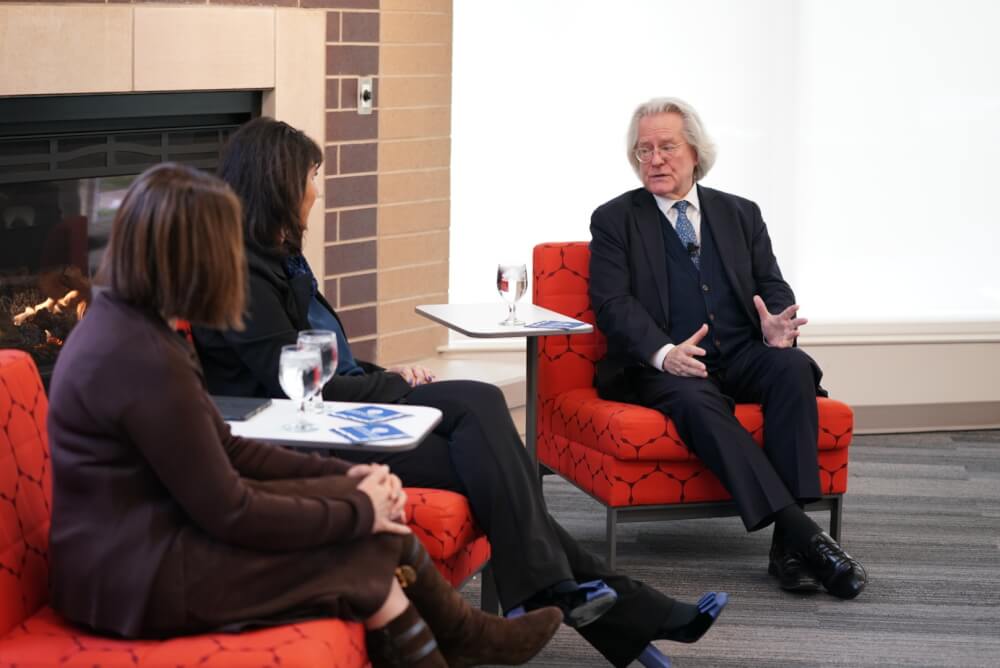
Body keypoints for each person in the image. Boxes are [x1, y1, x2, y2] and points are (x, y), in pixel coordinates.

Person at [192, 117, 728, 668]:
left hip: (334, 411)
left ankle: (567, 594)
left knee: (482, 407)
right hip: (305, 434)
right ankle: (622, 607)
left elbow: (318, 357)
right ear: (278, 183)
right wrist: (393, 382)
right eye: (310, 177)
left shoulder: (276, 259)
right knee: (499, 473)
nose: (317, 190)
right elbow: (296, 378)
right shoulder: (242, 273)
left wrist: (383, 371)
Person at [46, 163, 564, 668]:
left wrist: (346, 479)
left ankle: (470, 636)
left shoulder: (138, 328)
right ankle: (468, 638)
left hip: (149, 547)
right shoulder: (140, 357)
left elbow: (227, 449)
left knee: (380, 540)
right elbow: (230, 509)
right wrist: (357, 507)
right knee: (364, 561)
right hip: (136, 579)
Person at [588, 97, 868, 599]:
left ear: (695, 152)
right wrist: (664, 352)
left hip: (740, 352)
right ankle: (805, 536)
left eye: (667, 147)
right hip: (666, 366)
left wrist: (777, 326)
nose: (654, 160)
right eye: (644, 150)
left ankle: (788, 547)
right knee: (696, 402)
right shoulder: (614, 220)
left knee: (793, 368)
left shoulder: (740, 213)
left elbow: (771, 284)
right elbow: (612, 305)